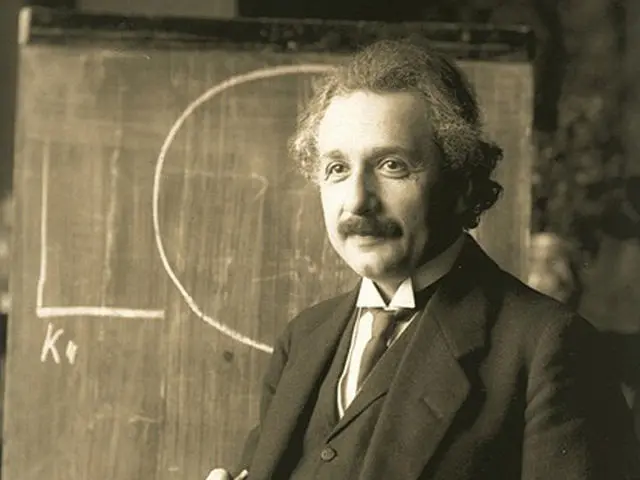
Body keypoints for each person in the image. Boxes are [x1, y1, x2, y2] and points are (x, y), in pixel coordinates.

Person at [208, 38, 639, 480]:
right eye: (337, 169)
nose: (357, 201)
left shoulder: (549, 347)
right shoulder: (302, 339)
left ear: (462, 183)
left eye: (392, 165)